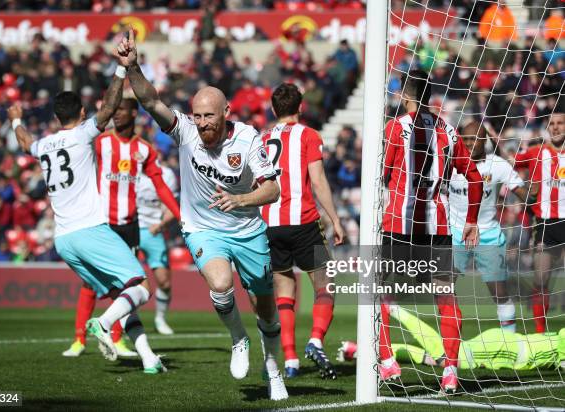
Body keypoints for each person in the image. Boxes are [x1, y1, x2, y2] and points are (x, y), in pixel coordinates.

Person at [120, 29, 288, 400]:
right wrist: (134, 68)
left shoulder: (248, 140)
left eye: (208, 116)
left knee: (267, 310)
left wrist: (241, 200)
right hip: (202, 228)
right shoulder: (186, 133)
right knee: (220, 285)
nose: (201, 124)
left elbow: (272, 189)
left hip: (247, 229)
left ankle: (273, 369)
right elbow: (151, 101)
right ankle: (237, 339)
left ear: (226, 112)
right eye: (196, 116)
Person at [7, 51, 165, 374]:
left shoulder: (45, 145)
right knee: (142, 287)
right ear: (81, 112)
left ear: (55, 118)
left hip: (63, 240)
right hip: (91, 230)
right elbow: (107, 108)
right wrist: (121, 69)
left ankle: (149, 358)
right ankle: (104, 325)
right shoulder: (83, 134)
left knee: (123, 294)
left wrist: (16, 119)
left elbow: (25, 143)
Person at [381, 70, 483, 393]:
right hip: (438, 228)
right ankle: (451, 371)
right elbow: (475, 179)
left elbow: (383, 174)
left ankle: (386, 361)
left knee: (379, 292)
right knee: (446, 297)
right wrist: (471, 220)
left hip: (399, 224)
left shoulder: (396, 128)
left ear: (405, 95)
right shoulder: (449, 132)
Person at [62, 97, 180, 357]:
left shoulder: (145, 150)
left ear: (134, 114)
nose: (115, 115)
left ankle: (118, 339)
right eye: (113, 111)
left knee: (127, 284)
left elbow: (161, 185)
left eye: (121, 111)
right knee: (90, 283)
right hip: (101, 225)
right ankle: (79, 339)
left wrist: (179, 214)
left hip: (129, 225)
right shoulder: (101, 142)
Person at [261, 83, 344, 379]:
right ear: (301, 107)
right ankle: (315, 339)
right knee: (326, 285)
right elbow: (318, 181)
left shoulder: (263, 138)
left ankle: (291, 361)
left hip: (270, 223)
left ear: (273, 110)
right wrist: (335, 219)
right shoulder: (308, 135)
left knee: (284, 291)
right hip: (304, 221)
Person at [449, 120, 527, 332]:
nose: (469, 143)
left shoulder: (498, 165)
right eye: (465, 139)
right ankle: (450, 344)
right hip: (455, 231)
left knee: (499, 292)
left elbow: (524, 193)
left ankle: (509, 340)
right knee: (444, 288)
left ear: (484, 140)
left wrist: (534, 183)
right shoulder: (450, 162)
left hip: (488, 234)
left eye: (474, 139)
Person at [338, 304, 565, 372]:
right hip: (509, 349)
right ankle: (394, 309)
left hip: (507, 348)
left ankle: (359, 351)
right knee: (449, 357)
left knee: (435, 359)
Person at [512, 110, 565, 334]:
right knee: (541, 280)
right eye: (551, 123)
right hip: (545, 225)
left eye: (560, 123)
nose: (555, 127)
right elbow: (510, 166)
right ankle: (540, 333)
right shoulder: (535, 153)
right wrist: (525, 189)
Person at [136, 162, 178, 334]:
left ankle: (160, 319)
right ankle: (127, 320)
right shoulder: (128, 171)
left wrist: (160, 224)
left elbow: (171, 206)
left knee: (164, 281)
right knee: (128, 281)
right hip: (131, 230)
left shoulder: (166, 174)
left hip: (154, 231)